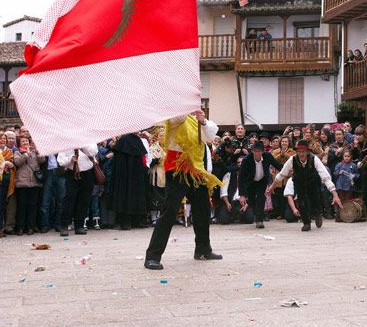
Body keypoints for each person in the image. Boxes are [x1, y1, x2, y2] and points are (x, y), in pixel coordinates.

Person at [144, 110, 223, 270]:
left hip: (196, 168)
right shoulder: (175, 115)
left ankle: (203, 249)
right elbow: (177, 119)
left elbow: (209, 137)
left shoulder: (196, 119)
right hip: (177, 167)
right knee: (169, 211)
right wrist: (187, 108)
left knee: (203, 208)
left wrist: (203, 121)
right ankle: (152, 256)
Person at [268, 140, 342, 231]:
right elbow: (282, 174)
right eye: (299, 151)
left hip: (313, 182)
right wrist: (272, 187)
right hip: (299, 182)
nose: (301, 154)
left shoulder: (314, 159)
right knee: (302, 202)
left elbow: (326, 177)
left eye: (303, 151)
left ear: (307, 152)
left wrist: (335, 194)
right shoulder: (292, 159)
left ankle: (318, 214)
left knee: (315, 200)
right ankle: (306, 223)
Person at [239, 140, 282, 229]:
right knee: (251, 201)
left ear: (263, 151)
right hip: (250, 182)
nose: (257, 153)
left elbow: (277, 165)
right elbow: (241, 178)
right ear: (252, 151)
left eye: (259, 151)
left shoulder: (268, 156)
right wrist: (242, 194)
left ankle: (259, 220)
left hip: (262, 180)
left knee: (261, 198)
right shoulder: (246, 160)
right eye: (255, 151)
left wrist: (285, 171)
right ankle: (257, 214)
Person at [58, 145, 99, 236]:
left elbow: (93, 152)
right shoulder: (66, 143)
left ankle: (79, 225)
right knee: (69, 199)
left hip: (87, 173)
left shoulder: (88, 140)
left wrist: (83, 145)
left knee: (84, 200)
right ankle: (64, 225)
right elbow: (60, 161)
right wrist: (70, 160)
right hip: (71, 173)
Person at [109, 133, 148, 230]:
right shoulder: (131, 140)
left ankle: (131, 221)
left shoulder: (127, 141)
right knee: (130, 195)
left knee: (129, 195)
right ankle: (131, 221)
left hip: (129, 175)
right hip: (130, 175)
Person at [13, 135, 45, 235]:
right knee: (22, 206)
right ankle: (21, 227)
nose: (25, 143)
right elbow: (17, 162)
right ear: (19, 143)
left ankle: (31, 227)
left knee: (32, 206)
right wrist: (25, 155)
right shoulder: (17, 152)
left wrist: (38, 152)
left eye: (26, 141)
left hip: (34, 183)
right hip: (22, 183)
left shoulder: (34, 152)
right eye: (23, 141)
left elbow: (42, 161)